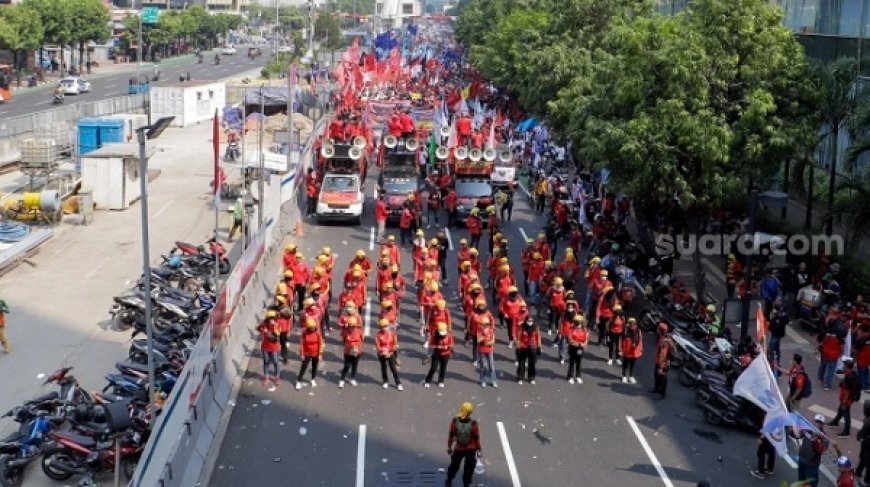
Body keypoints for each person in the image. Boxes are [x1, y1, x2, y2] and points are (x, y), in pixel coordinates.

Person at [795, 414, 840, 487]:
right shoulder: (808, 430)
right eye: (816, 422)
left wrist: (815, 439)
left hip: (812, 464)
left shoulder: (824, 438)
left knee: (811, 483)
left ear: (822, 425)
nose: (817, 424)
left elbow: (820, 450)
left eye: (820, 423)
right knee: (801, 481)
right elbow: (798, 435)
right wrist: (795, 430)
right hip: (802, 459)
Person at [446, 402, 482, 487]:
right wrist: (479, 450)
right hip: (471, 449)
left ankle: (449, 480)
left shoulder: (455, 421)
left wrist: (449, 447)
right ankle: (466, 484)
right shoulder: (473, 424)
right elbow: (476, 439)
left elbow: (451, 435)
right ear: (470, 413)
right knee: (468, 469)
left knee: (454, 465)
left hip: (459, 448)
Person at [829, 358, 862, 437]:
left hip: (846, 400)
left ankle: (846, 432)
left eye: (844, 366)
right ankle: (835, 422)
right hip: (846, 399)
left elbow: (847, 392)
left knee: (846, 415)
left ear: (847, 367)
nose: (843, 367)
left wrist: (844, 403)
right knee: (840, 410)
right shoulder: (851, 374)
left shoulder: (849, 377)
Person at [296, 318, 323, 390]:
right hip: (306, 353)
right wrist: (301, 354)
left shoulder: (317, 332)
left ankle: (313, 379)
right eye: (311, 327)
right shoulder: (304, 332)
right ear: (308, 327)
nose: (312, 328)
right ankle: (298, 381)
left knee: (315, 367)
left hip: (316, 353)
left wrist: (320, 354)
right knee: (304, 367)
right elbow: (301, 343)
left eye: (313, 327)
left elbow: (321, 343)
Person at [375, 318, 402, 390]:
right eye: (382, 326)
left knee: (393, 368)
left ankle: (398, 383)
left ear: (388, 326)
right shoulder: (378, 334)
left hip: (390, 353)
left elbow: (395, 344)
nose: (384, 328)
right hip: (381, 353)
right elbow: (377, 345)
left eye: (385, 326)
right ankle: (385, 381)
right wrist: (382, 350)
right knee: (383, 367)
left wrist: (389, 351)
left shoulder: (393, 334)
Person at [425, 322, 454, 388]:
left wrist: (448, 348)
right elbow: (431, 344)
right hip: (436, 353)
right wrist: (437, 346)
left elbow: (451, 344)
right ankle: (427, 381)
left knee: (443, 368)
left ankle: (441, 381)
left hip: (446, 354)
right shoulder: (434, 335)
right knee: (433, 368)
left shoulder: (449, 335)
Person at [649, 323, 673, 398]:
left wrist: (661, 367)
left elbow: (663, 355)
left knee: (662, 378)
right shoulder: (663, 337)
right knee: (657, 376)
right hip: (660, 362)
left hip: (663, 363)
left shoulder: (664, 341)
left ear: (659, 330)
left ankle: (662, 394)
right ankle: (657, 389)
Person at [338, 318, 364, 388]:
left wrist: (357, 348)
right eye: (350, 326)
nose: (351, 327)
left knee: (355, 365)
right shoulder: (345, 332)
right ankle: (342, 379)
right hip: (348, 351)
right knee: (347, 366)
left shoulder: (359, 331)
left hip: (357, 351)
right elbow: (343, 340)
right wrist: (349, 347)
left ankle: (352, 378)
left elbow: (362, 340)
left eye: (352, 326)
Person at [258, 312, 282, 386]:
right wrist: (262, 329)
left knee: (275, 361)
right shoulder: (264, 324)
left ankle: (277, 377)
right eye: (270, 318)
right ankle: (266, 377)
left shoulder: (277, 324)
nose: (272, 319)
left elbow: (278, 333)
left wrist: (274, 326)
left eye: (273, 318)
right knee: (266, 362)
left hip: (274, 347)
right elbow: (258, 328)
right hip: (265, 347)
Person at [516, 316, 541, 385]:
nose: (530, 322)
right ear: (526, 321)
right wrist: (518, 347)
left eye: (531, 321)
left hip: (533, 348)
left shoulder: (536, 328)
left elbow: (538, 338)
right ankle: (520, 377)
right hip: (523, 347)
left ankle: (531, 378)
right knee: (521, 363)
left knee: (532, 364)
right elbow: (518, 337)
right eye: (528, 321)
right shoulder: (522, 327)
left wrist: (539, 347)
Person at [566, 315, 588, 384]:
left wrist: (584, 344)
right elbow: (570, 340)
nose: (577, 324)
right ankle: (570, 376)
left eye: (578, 322)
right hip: (573, 348)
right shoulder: (571, 329)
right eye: (576, 322)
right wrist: (578, 344)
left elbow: (586, 339)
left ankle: (578, 376)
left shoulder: (584, 329)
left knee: (579, 363)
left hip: (580, 349)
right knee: (572, 363)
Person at [620, 317, 643, 383]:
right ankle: (624, 376)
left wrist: (641, 350)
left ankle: (631, 376)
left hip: (635, 352)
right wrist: (620, 350)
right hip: (627, 351)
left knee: (632, 365)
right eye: (631, 324)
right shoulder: (625, 331)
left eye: (633, 324)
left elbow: (640, 341)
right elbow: (621, 340)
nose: (632, 325)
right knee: (625, 364)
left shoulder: (638, 331)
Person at [477, 317, 498, 387]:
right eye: (483, 324)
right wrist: (484, 337)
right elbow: (478, 340)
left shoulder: (491, 331)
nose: (484, 325)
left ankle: (493, 381)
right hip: (482, 350)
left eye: (486, 324)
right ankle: (483, 380)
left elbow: (493, 340)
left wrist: (487, 342)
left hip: (489, 350)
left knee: (491, 366)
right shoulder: (479, 331)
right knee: (483, 366)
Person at [857, 400, 870, 486]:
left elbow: (863, 432)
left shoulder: (868, 421)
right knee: (864, 458)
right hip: (866, 444)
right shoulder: (868, 420)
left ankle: (866, 481)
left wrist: (861, 437)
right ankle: (859, 472)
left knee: (867, 461)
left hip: (867, 444)